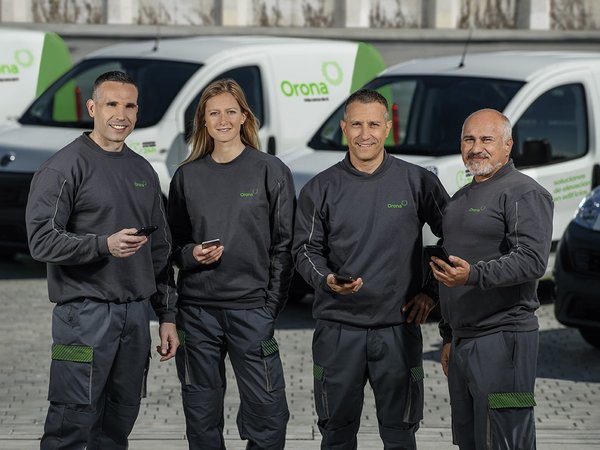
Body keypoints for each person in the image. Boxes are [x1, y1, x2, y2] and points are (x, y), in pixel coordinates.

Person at [25, 71, 179, 450]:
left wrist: (168, 315)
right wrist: (102, 246)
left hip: (135, 316)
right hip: (84, 314)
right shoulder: (63, 168)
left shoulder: (142, 170)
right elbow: (41, 241)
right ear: (92, 108)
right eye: (111, 104)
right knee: (71, 423)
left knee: (118, 421)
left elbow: (159, 251)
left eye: (129, 106)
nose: (120, 114)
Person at [293, 89, 449, 450]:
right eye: (357, 124)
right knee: (336, 434)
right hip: (337, 332)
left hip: (397, 330)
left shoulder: (417, 181)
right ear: (344, 129)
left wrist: (431, 291)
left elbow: (457, 237)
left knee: (399, 434)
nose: (366, 133)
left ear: (389, 129)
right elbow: (304, 250)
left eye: (374, 124)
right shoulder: (320, 188)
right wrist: (328, 281)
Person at [167, 79, 294, 450]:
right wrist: (193, 255)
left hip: (251, 312)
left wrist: (269, 308)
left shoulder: (270, 171)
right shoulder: (187, 176)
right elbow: (171, 247)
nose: (222, 119)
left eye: (230, 111)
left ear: (243, 117)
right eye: (213, 113)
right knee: (201, 418)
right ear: (203, 122)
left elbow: (284, 246)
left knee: (270, 414)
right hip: (197, 314)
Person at [430, 109, 554, 450]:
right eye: (469, 139)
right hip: (463, 342)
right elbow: (451, 268)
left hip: (504, 339)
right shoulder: (460, 199)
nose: (476, 148)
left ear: (507, 145)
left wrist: (474, 275)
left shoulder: (524, 193)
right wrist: (448, 336)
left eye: (486, 140)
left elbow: (531, 261)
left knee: (504, 441)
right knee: (469, 441)